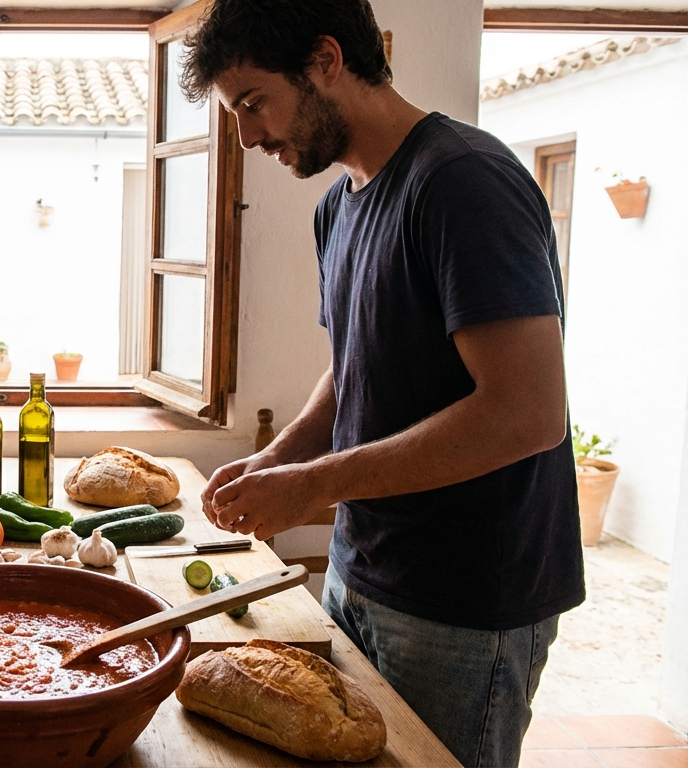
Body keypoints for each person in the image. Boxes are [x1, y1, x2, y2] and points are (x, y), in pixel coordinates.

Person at [183, 2, 584, 765]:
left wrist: (313, 488)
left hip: (467, 600)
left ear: (326, 60)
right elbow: (357, 369)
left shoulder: (465, 182)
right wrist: (282, 462)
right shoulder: (339, 206)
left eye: (254, 103)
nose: (249, 135)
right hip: (363, 567)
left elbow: (528, 413)